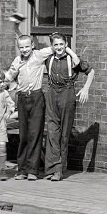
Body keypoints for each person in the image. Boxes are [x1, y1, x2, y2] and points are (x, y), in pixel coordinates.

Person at [4, 35, 79, 181]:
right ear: (18, 48)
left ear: (32, 45)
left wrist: (73, 54)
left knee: (35, 134)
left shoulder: (39, 55)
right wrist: (12, 86)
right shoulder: (17, 60)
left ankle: (33, 170)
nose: (24, 50)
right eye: (21, 47)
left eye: (27, 46)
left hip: (37, 97)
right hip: (22, 98)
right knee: (24, 135)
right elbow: (8, 77)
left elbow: (58, 48)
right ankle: (22, 170)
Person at [42, 33, 94, 182]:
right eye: (55, 44)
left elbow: (91, 72)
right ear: (52, 46)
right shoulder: (48, 58)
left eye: (61, 44)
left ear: (66, 45)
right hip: (52, 94)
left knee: (64, 134)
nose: (58, 47)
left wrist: (85, 89)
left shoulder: (73, 59)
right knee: (52, 132)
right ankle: (51, 168)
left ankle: (59, 170)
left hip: (67, 94)